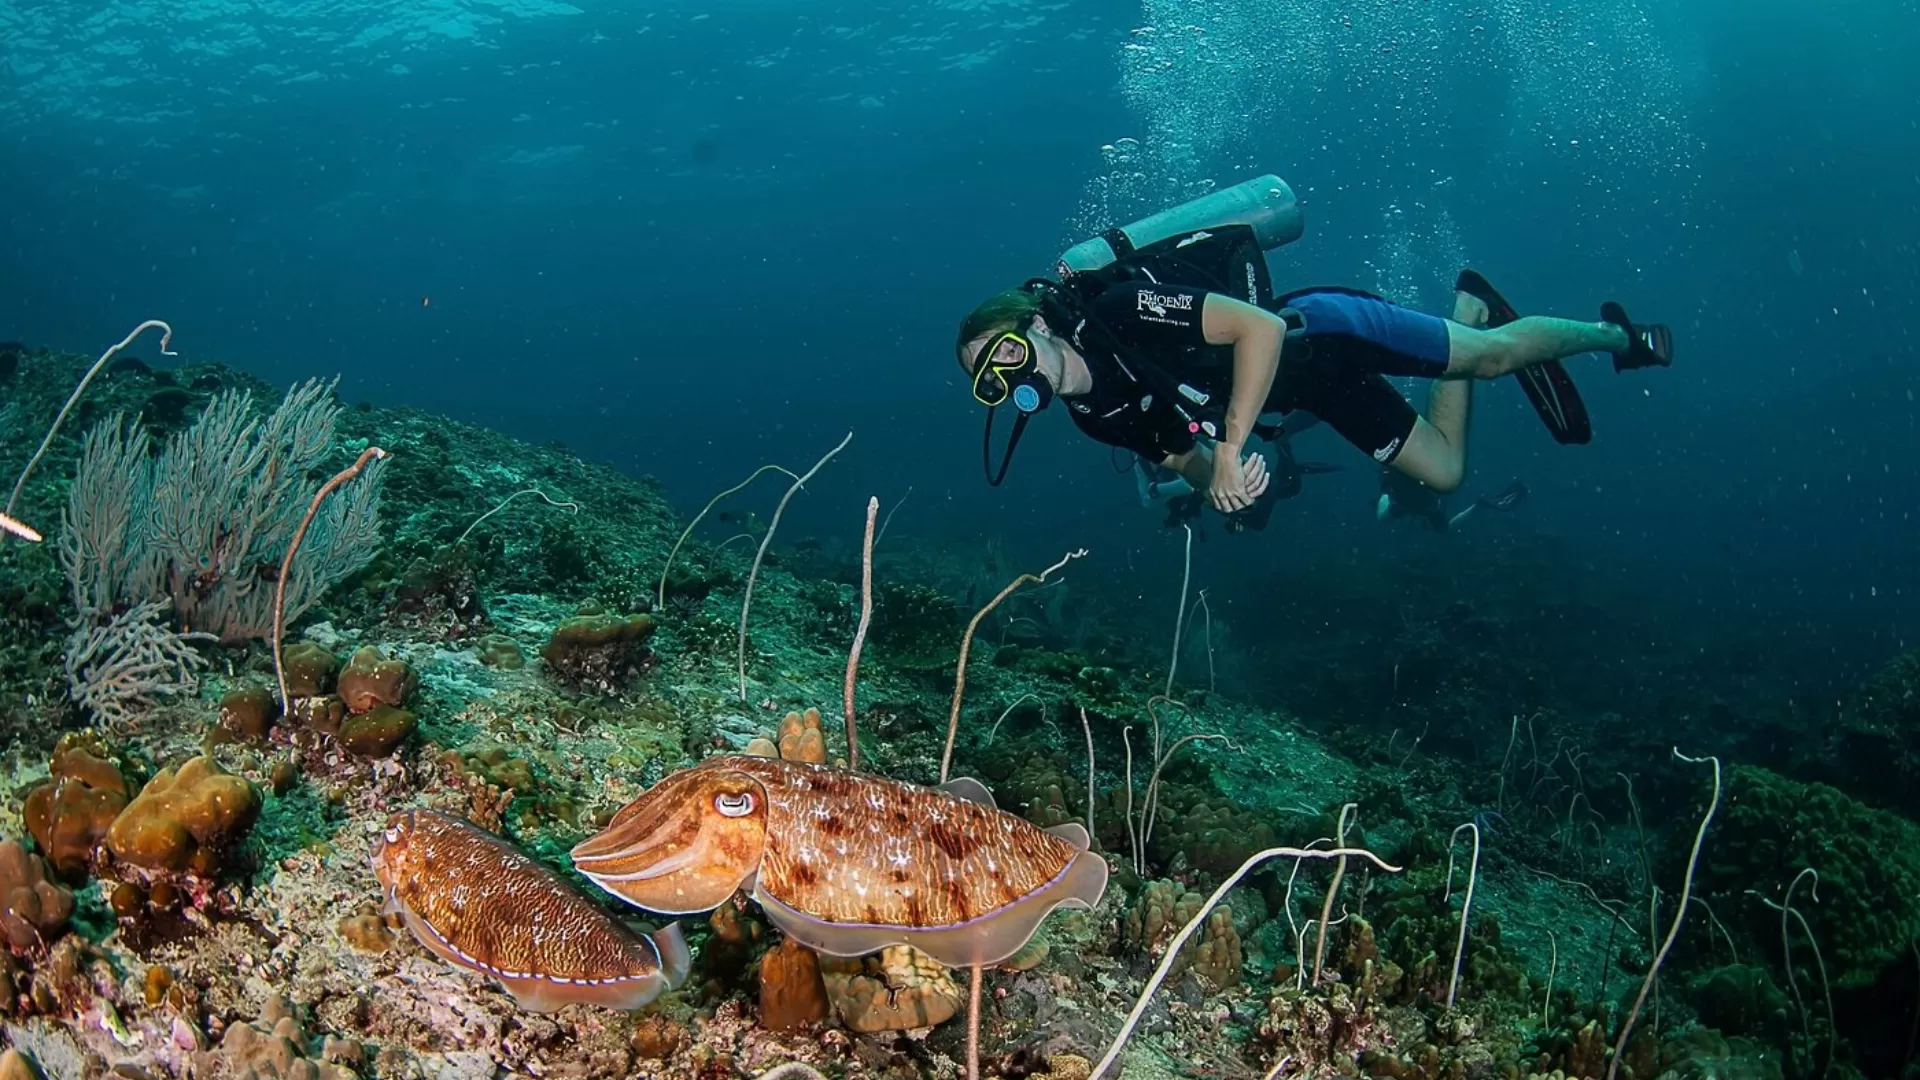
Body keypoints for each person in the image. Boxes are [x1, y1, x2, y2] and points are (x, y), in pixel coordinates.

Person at [956, 261, 1671, 516]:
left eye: (1008, 351)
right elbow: (1184, 459)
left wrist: (1231, 445)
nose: (1013, 375)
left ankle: (1617, 337)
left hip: (1323, 332)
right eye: (993, 379)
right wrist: (1224, 484)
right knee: (1446, 473)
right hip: (1312, 394)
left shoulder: (1116, 312)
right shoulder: (1095, 416)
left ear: (1037, 325)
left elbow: (1260, 328)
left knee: (1490, 360)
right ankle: (1469, 305)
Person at [1376, 468, 1529, 533]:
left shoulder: (1390, 470)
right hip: (1426, 499)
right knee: (1446, 527)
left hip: (1412, 502)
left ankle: (1478, 505)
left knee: (1383, 517)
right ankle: (1478, 505)